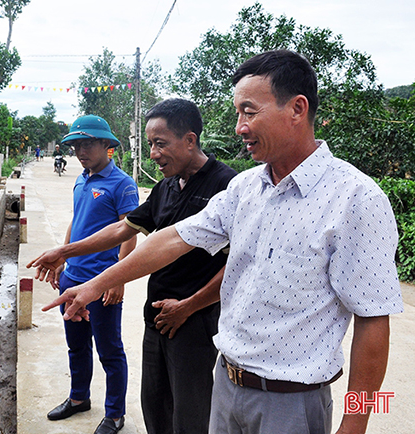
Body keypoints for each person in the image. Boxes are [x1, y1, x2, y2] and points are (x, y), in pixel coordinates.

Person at [43, 50, 403, 434]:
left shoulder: (356, 199)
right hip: (227, 387)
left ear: (297, 109)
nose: (239, 126)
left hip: (292, 405)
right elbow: (173, 239)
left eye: (249, 112)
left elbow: (373, 319)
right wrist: (95, 285)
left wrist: (356, 422)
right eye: (237, 113)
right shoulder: (245, 188)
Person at [29, 98, 237, 433]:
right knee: (155, 404)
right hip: (157, 314)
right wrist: (64, 251)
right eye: (150, 144)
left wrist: (189, 305)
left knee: (191, 412)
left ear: (190, 140)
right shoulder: (167, 186)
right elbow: (124, 228)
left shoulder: (226, 185)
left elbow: (238, 264)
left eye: (160, 143)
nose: (153, 153)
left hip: (194, 318)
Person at [45, 115, 139, 434]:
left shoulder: (122, 184)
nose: (80, 151)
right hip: (73, 278)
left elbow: (130, 233)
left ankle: (114, 413)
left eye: (87, 144)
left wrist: (118, 279)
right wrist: (62, 256)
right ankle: (78, 398)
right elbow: (77, 219)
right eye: (75, 146)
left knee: (109, 350)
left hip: (102, 281)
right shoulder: (80, 179)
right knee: (77, 344)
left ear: (105, 145)